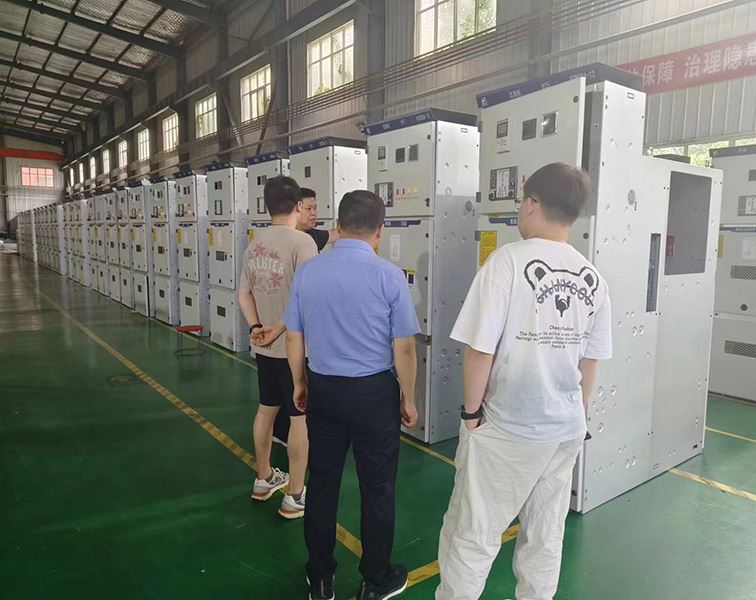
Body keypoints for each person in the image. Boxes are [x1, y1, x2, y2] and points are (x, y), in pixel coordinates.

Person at [435, 163, 613, 600]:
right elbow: (590, 360)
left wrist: (471, 416)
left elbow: (479, 351)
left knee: (472, 535)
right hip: (565, 429)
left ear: (532, 204)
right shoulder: (593, 277)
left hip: (509, 427)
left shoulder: (508, 262)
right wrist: (577, 415)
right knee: (545, 534)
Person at [282, 190, 420, 600]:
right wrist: (407, 398)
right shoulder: (389, 276)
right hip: (373, 395)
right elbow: (404, 347)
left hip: (324, 391)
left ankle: (320, 577)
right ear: (380, 231)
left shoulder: (309, 273)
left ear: (337, 226)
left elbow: (293, 337)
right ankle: (376, 580)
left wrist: (300, 383)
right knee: (377, 489)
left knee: (322, 484)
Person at [238, 175, 318, 519]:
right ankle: (295, 495)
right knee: (300, 419)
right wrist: (280, 328)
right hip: (295, 348)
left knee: (266, 409)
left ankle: (264, 477)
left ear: (267, 206)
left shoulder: (254, 244)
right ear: (298, 205)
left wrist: (257, 328)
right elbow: (306, 296)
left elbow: (243, 293)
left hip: (265, 348)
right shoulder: (303, 242)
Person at [298, 187, 339, 251]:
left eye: (315, 208)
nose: (313, 213)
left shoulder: (312, 234)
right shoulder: (288, 237)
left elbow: (338, 234)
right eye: (309, 208)